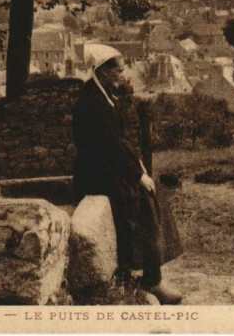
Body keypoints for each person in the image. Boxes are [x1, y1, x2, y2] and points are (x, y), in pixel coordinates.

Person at [72, 50, 183, 305]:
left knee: (151, 195)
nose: (122, 76)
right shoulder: (93, 102)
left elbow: (118, 143)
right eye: (118, 71)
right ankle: (152, 279)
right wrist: (137, 175)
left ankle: (148, 272)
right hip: (97, 173)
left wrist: (139, 166)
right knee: (146, 198)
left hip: (106, 166)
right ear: (103, 71)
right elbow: (110, 145)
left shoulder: (102, 95)